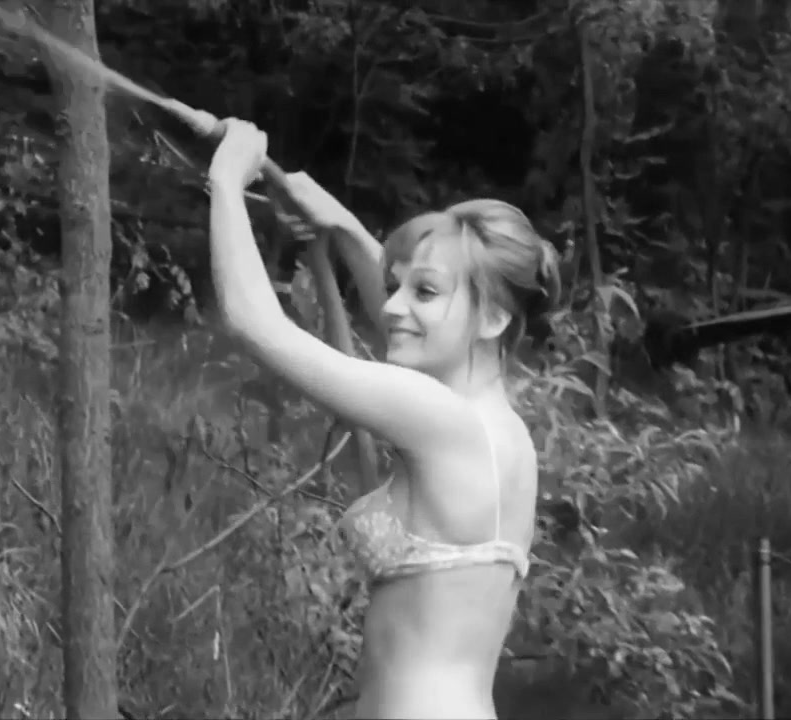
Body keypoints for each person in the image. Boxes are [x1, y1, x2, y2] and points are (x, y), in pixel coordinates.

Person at [201, 117, 561, 719]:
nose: (393, 306)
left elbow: (255, 323)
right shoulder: (495, 430)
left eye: (423, 292)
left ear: (494, 319)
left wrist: (227, 178)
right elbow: (413, 322)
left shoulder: (440, 419)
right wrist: (340, 224)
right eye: (397, 286)